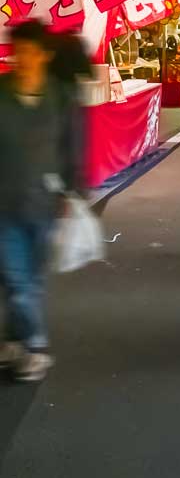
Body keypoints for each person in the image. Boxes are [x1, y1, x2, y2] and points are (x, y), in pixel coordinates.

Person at [0, 21, 82, 382]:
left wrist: (72, 189)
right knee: (17, 281)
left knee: (30, 281)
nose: (24, 59)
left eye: (31, 52)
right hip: (3, 205)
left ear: (45, 55)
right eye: (18, 52)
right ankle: (33, 346)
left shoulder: (61, 96)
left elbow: (73, 148)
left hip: (44, 204)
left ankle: (13, 341)